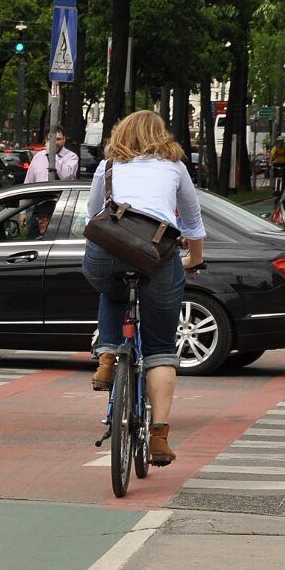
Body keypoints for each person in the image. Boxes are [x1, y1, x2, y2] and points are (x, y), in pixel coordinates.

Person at [83, 109, 206, 467]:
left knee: (112, 289)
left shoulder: (108, 166)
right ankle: (158, 438)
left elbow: (93, 217)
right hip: (156, 256)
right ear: (161, 135)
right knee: (161, 349)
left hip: (103, 254)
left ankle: (107, 357)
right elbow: (194, 225)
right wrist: (194, 260)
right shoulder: (175, 167)